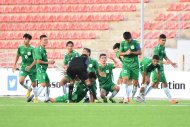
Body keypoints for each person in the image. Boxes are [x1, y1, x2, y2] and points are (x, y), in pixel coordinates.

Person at [144, 34, 178, 104]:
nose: (164, 42)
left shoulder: (163, 47)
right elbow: (154, 60)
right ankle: (171, 100)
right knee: (162, 83)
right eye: (162, 40)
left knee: (155, 84)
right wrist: (164, 62)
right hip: (157, 67)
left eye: (165, 40)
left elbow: (164, 56)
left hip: (161, 67)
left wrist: (171, 63)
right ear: (159, 40)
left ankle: (142, 96)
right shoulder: (157, 48)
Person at [12, 33, 37, 99]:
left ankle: (36, 98)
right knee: (20, 81)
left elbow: (35, 60)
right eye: (24, 38)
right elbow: (17, 55)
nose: (24, 40)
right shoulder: (20, 47)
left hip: (32, 68)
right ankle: (29, 89)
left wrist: (30, 67)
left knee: (34, 84)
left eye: (26, 39)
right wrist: (14, 65)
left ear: (29, 40)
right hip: (24, 67)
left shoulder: (32, 49)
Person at [119, 32, 141, 103]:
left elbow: (140, 52)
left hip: (134, 65)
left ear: (131, 37)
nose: (128, 41)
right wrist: (126, 53)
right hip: (126, 65)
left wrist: (132, 52)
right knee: (125, 79)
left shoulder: (135, 43)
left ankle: (129, 97)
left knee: (134, 82)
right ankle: (125, 98)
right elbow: (120, 53)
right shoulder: (122, 43)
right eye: (126, 40)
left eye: (129, 39)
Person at [33, 35, 55, 103]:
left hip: (43, 69)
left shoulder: (43, 49)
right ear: (40, 41)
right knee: (43, 84)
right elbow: (38, 61)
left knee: (48, 84)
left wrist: (49, 61)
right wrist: (49, 62)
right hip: (40, 69)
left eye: (46, 40)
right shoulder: (39, 49)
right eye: (44, 40)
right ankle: (34, 97)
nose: (46, 41)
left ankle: (47, 98)